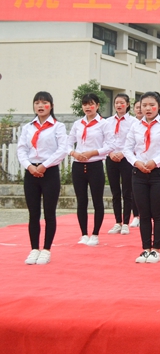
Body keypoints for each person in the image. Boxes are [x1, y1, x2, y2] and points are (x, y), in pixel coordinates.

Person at [124, 91, 160, 263]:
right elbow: (127, 148)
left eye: (151, 105)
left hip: (159, 174)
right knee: (144, 213)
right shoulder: (135, 126)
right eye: (144, 105)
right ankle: (145, 249)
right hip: (139, 173)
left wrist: (155, 161)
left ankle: (156, 249)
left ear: (159, 106)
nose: (147, 108)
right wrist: (137, 162)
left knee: (157, 213)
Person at [17, 92, 69, 265]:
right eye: (37, 103)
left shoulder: (58, 127)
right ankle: (34, 249)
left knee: (49, 213)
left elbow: (62, 150)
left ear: (51, 106)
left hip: (50, 172)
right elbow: (21, 149)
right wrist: (30, 166)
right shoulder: (27, 128)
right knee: (33, 213)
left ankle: (46, 249)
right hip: (31, 172)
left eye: (44, 102)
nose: (40, 106)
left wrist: (44, 166)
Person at [67, 93, 113, 246]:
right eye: (85, 104)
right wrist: (74, 153)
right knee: (81, 201)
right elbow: (67, 143)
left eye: (91, 104)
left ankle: (95, 234)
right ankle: (84, 233)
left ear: (98, 106)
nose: (87, 107)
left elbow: (110, 145)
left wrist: (93, 152)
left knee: (97, 199)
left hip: (95, 165)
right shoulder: (77, 124)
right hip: (78, 165)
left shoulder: (104, 124)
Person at [104, 94, 138, 236]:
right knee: (115, 192)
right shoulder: (108, 122)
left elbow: (135, 141)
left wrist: (124, 153)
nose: (119, 105)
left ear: (128, 104)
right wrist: (111, 152)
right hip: (111, 157)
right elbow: (104, 139)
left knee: (127, 192)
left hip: (126, 158)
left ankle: (125, 222)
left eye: (122, 103)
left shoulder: (134, 122)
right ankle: (117, 221)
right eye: (116, 103)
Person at [130, 98, 143, 228]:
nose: (139, 109)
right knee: (133, 190)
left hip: (147, 162)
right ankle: (136, 215)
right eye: (137, 107)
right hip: (132, 160)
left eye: (141, 107)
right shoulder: (133, 124)